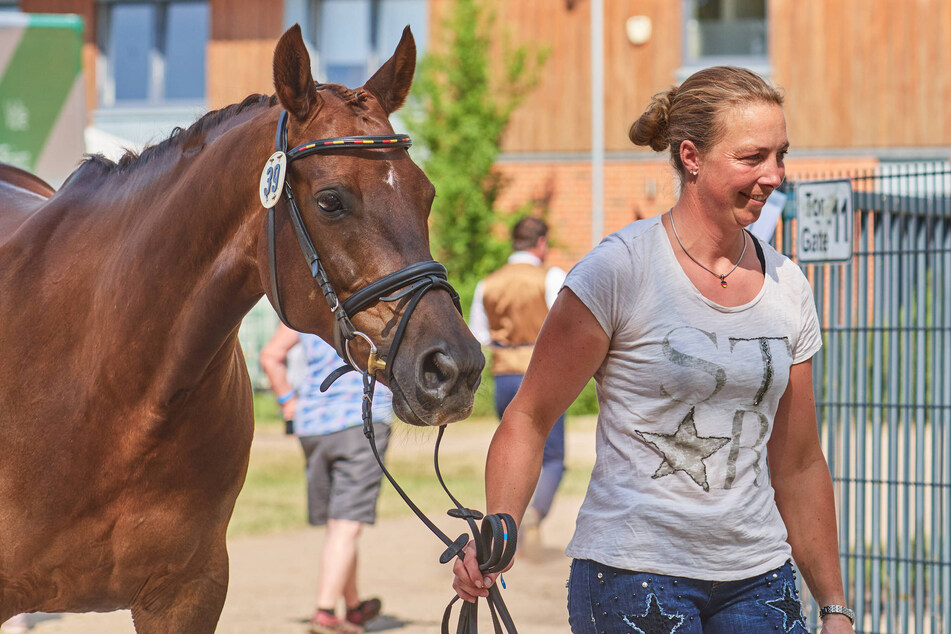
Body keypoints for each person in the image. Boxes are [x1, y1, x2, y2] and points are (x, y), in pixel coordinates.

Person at [453, 66, 856, 634]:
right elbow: (529, 415)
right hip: (632, 575)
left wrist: (834, 606)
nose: (774, 176)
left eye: (780, 155)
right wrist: (500, 528)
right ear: (691, 156)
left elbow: (800, 462)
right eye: (752, 157)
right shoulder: (620, 269)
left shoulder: (789, 286)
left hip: (760, 577)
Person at [260, 324, 392, 634]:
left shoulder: (310, 308)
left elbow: (270, 355)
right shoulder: (376, 304)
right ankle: (326, 613)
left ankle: (354, 606)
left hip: (312, 423)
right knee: (347, 523)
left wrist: (288, 403)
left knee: (339, 522)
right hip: (361, 420)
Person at [469, 216, 567, 542]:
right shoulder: (550, 277)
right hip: (542, 376)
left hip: (504, 378)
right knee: (552, 456)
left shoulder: (488, 283)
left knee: (517, 449)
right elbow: (566, 325)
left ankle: (507, 525)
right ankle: (533, 517)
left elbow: (479, 335)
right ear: (541, 243)